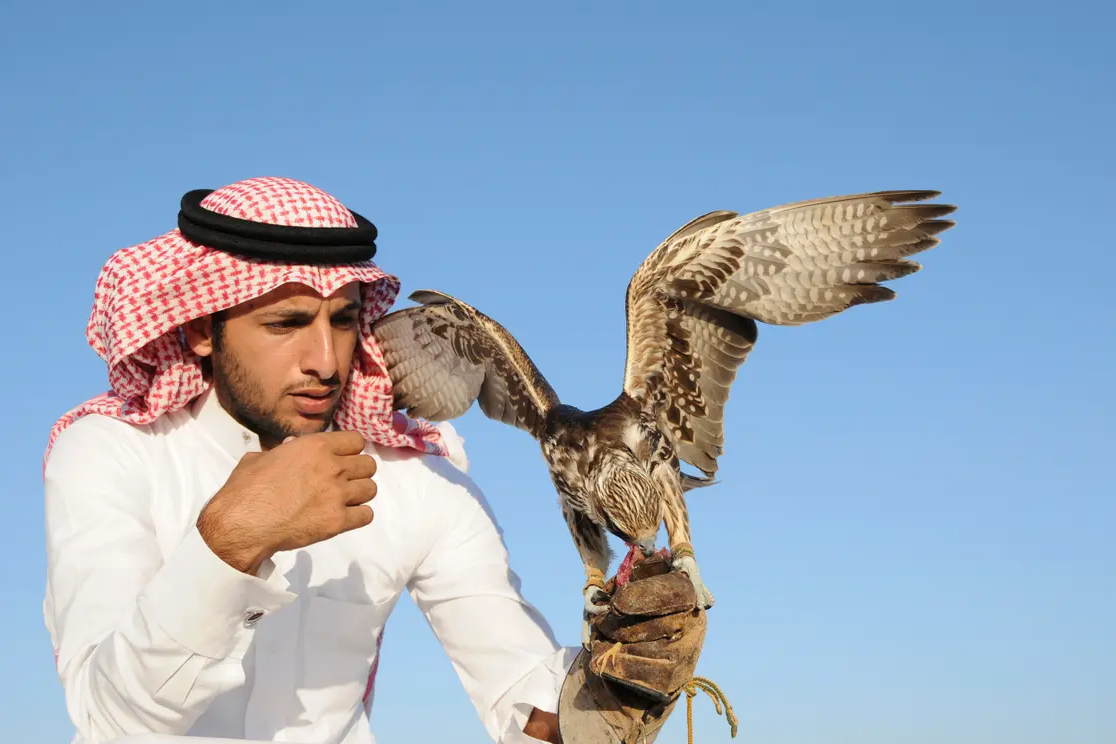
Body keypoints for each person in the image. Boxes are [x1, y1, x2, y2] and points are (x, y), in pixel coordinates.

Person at [41, 177, 578, 744]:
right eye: (286, 323)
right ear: (202, 328)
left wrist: (606, 690)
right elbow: (109, 718)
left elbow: (523, 696)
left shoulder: (417, 480)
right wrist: (227, 542)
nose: (326, 361)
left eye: (343, 321)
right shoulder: (112, 452)